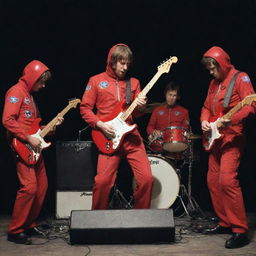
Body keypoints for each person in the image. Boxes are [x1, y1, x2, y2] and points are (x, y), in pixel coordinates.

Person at [80, 43, 153, 210]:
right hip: (108, 136)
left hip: (131, 136)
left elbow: (138, 114)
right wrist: (99, 125)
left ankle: (141, 217)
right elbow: (85, 108)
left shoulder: (134, 83)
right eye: (122, 63)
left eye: (128, 63)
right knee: (103, 181)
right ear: (112, 62)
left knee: (147, 179)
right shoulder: (96, 80)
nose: (125, 67)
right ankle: (96, 221)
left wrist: (142, 107)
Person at [2, 60, 63, 245]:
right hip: (22, 146)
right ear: (32, 77)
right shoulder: (16, 92)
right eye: (41, 81)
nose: (43, 85)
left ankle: (28, 224)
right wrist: (28, 138)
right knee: (29, 188)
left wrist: (49, 128)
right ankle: (15, 230)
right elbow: (7, 120)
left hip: (34, 148)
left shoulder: (29, 95)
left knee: (42, 186)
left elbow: (33, 127)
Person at [200, 46, 255, 249]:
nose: (211, 72)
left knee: (227, 179)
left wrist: (230, 120)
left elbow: (250, 106)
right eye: (209, 69)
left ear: (222, 63)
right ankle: (225, 222)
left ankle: (240, 230)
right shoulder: (213, 84)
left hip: (232, 138)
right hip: (215, 139)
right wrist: (205, 121)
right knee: (213, 180)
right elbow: (206, 107)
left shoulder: (241, 78)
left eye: (213, 68)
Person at [146, 81, 190, 158]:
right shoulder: (157, 110)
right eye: (169, 95)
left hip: (175, 149)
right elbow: (149, 127)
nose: (171, 98)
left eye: (174, 95)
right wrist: (154, 132)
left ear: (177, 97)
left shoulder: (184, 112)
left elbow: (185, 130)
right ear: (165, 94)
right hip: (158, 147)